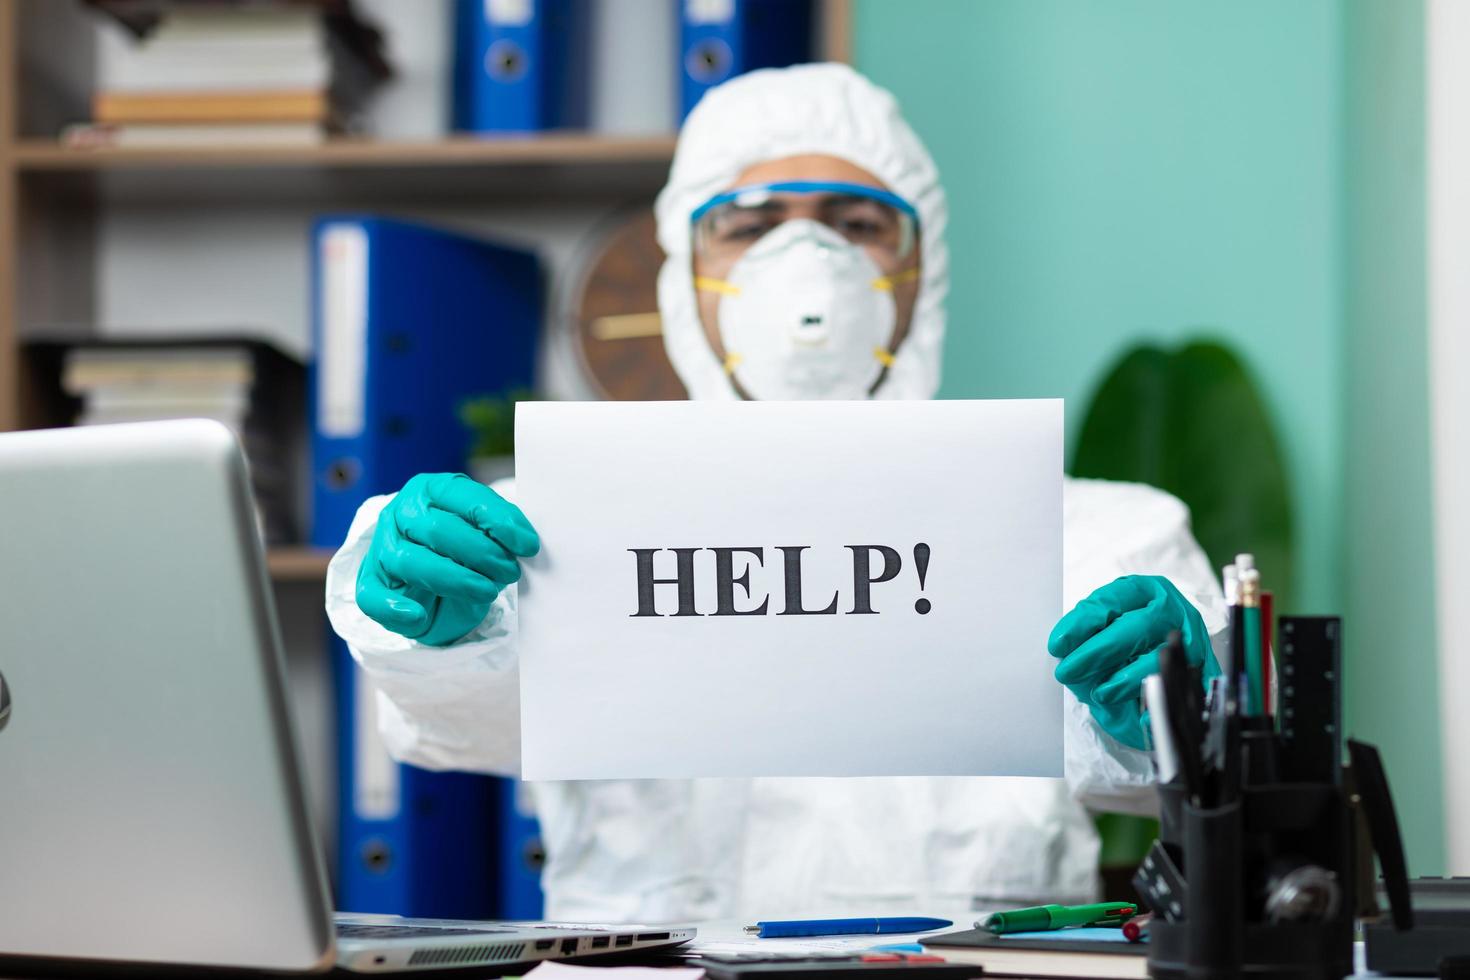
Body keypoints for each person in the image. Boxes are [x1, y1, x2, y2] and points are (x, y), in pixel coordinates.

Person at [326, 63, 1224, 921]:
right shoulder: (555, 520)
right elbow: (462, 733)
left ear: (920, 270)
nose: (809, 262)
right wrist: (438, 637)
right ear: (688, 271)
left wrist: (1167, 712)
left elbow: (1197, 782)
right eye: (750, 225)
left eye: (858, 223)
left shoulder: (1099, 533)